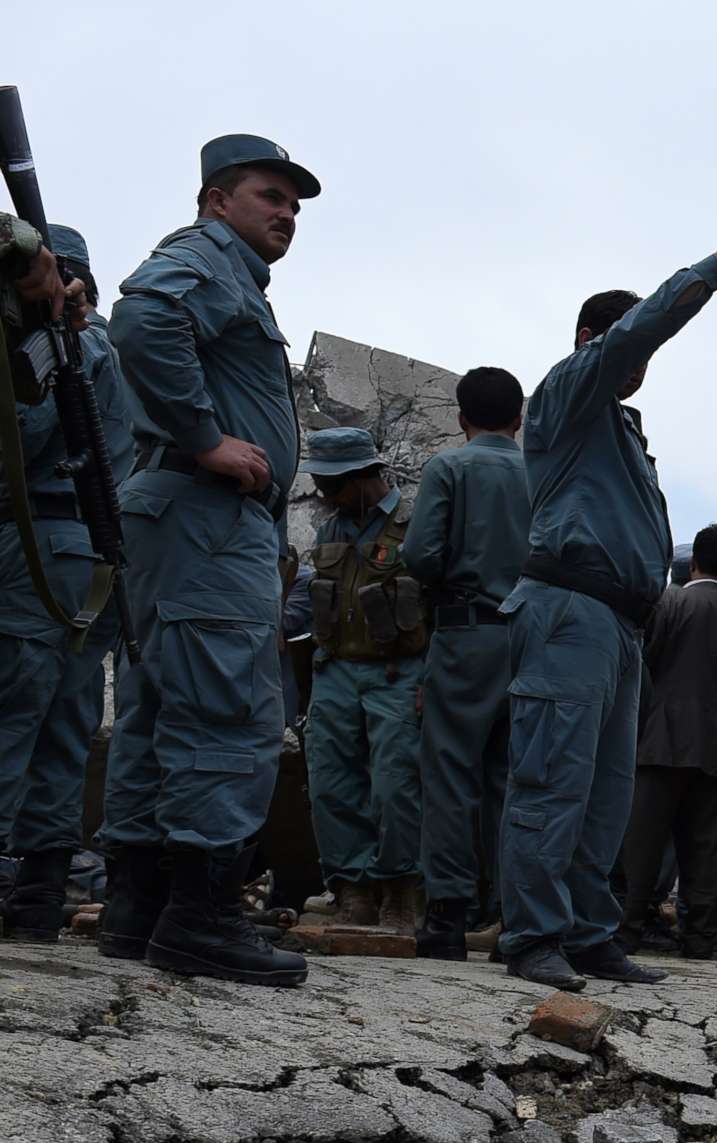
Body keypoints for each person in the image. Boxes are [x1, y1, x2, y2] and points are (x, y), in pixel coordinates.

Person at [495, 194, 717, 991]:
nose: (640, 365)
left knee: (604, 794)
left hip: (620, 626)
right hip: (569, 612)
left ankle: (588, 932)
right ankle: (531, 937)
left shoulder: (621, 429)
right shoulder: (567, 394)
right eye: (628, 349)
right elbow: (639, 328)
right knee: (553, 779)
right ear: (593, 341)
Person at [100, 134, 322, 985]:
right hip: (207, 517)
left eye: (294, 205)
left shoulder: (229, 273)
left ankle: (139, 910)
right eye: (269, 196)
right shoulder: (208, 257)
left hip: (178, 517)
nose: (286, 214)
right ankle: (201, 919)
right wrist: (205, 440)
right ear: (216, 199)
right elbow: (144, 319)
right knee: (230, 708)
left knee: (161, 708)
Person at [0, 225, 134, 942]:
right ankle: (39, 894)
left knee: (12, 707)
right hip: (90, 554)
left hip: (42, 542)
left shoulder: (65, 346)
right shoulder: (104, 347)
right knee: (63, 723)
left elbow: (28, 436)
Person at [403, 365, 530, 961]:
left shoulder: (449, 467)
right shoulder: (541, 473)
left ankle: (448, 915)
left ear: (461, 418)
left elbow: (421, 554)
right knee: (513, 779)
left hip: (465, 634)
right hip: (529, 639)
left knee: (451, 773)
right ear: (520, 416)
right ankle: (513, 917)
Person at [295, 428, 428, 937]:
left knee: (395, 785)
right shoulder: (330, 528)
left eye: (333, 484)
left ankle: (398, 891)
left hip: (397, 672)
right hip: (334, 670)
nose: (325, 494)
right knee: (330, 781)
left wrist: (429, 678)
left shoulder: (414, 526)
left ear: (364, 477)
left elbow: (435, 603)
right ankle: (352, 889)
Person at [618, 524, 717, 958]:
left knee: (644, 840)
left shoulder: (669, 602)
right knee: (706, 847)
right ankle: (699, 935)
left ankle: (627, 927)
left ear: (694, 562)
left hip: (662, 738)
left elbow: (647, 660)